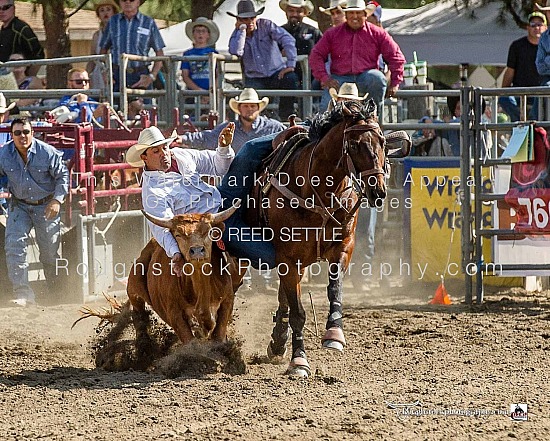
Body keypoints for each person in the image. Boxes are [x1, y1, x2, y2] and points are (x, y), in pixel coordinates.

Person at [126, 124, 278, 275]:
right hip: (212, 225)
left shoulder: (179, 155)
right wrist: (175, 253)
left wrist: (223, 147)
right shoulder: (153, 191)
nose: (164, 153)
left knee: (250, 149)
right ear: (144, 157)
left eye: (164, 147)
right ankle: (234, 254)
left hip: (223, 196)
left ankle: (299, 130)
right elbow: (162, 229)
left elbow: (217, 167)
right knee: (269, 257)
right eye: (156, 151)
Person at [0, 118, 69, 306]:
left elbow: (63, 176)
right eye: (17, 133)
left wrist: (57, 200)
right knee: (14, 246)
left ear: (33, 133)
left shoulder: (47, 152)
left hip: (46, 205)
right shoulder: (3, 154)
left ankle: (55, 291)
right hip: (19, 205)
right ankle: (23, 294)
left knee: (49, 252)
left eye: (26, 132)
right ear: (11, 135)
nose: (22, 136)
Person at [309, 0, 405, 114]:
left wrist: (395, 83)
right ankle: (326, 127)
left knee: (377, 78)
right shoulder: (332, 33)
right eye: (351, 13)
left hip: (366, 78)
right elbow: (316, 55)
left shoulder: (378, 33)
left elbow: (396, 57)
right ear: (346, 15)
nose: (355, 16)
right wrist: (325, 78)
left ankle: (371, 118)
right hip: (340, 78)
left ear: (365, 14)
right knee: (326, 110)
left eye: (358, 13)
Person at [228, 0, 299, 120]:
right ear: (239, 20)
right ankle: (259, 123)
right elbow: (236, 51)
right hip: (254, 77)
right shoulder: (237, 34)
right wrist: (241, 31)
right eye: (245, 19)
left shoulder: (266, 25)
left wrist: (290, 64)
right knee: (253, 99)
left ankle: (287, 117)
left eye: (252, 18)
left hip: (276, 73)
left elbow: (288, 39)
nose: (250, 22)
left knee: (290, 79)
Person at [181, 88, 284, 153]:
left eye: (253, 106)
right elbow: (206, 137)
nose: (249, 109)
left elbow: (290, 135)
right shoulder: (228, 129)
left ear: (258, 109)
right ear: (239, 109)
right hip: (237, 175)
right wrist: (183, 139)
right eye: (246, 106)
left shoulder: (274, 127)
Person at [99, 0, 165, 93]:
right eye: (124, 0)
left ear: (138, 2)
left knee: (144, 107)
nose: (128, 2)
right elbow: (102, 52)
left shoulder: (148, 23)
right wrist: (105, 74)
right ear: (120, 3)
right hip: (117, 74)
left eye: (132, 0)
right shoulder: (113, 22)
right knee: (116, 106)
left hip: (141, 75)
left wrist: (152, 76)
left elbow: (160, 54)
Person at [500, 11, 546, 121]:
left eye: (540, 24)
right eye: (533, 25)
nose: (536, 28)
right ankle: (521, 123)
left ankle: (531, 126)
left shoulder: (547, 46)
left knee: (542, 99)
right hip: (519, 91)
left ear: (545, 27)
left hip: (540, 93)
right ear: (527, 28)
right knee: (504, 99)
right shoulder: (517, 46)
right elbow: (510, 71)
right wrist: (502, 91)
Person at [280, 0, 322, 88]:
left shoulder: (314, 32)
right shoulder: (277, 32)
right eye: (291, 11)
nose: (294, 14)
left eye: (299, 11)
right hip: (285, 77)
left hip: (311, 78)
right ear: (286, 12)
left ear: (305, 13)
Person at [0, 0, 44, 76]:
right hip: (5, 78)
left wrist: (27, 79)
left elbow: (39, 54)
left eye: (6, 7)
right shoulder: (4, 30)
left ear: (13, 8)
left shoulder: (21, 29)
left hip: (17, 80)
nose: (1, 11)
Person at [181, 17, 220, 97]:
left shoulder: (214, 53)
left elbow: (218, 75)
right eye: (198, 31)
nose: (200, 34)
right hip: (192, 94)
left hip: (212, 94)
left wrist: (211, 92)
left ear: (208, 35)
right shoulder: (187, 54)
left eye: (203, 31)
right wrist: (199, 91)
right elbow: (185, 76)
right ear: (193, 34)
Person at [87, 0, 119, 92]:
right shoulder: (97, 35)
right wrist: (87, 75)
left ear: (114, 12)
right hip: (99, 73)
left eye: (108, 9)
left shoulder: (120, 33)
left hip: (115, 71)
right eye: (102, 10)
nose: (105, 13)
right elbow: (92, 59)